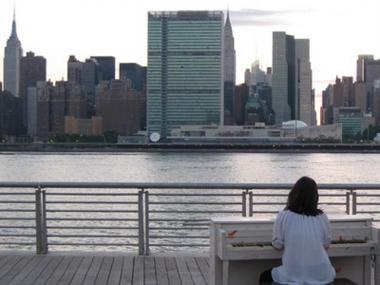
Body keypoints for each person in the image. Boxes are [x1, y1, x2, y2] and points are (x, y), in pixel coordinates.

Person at [260, 176, 336, 285]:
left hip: (292, 273)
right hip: (322, 272)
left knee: (264, 277)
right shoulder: (322, 216)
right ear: (315, 196)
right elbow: (326, 245)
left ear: (294, 193)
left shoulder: (284, 215)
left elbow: (277, 246)